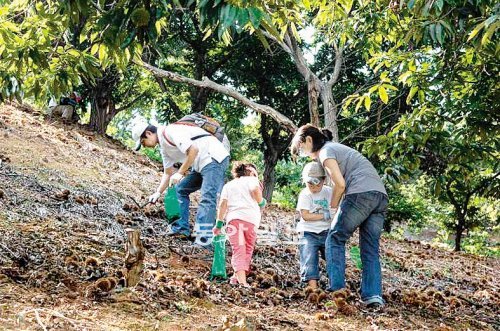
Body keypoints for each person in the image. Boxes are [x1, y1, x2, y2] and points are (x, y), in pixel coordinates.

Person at [291, 124, 388, 308]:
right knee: (370, 249)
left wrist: (333, 208)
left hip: (360, 194)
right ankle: (373, 296)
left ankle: (337, 290)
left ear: (309, 141)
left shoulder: (326, 152)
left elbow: (340, 185)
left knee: (334, 238)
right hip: (380, 196)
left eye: (302, 149)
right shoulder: (338, 148)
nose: (305, 154)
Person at [131, 120, 230, 247]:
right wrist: (158, 192)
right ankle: (180, 229)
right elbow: (168, 173)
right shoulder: (164, 148)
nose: (144, 146)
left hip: (214, 158)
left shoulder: (171, 131)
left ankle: (204, 241)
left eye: (143, 142)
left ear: (149, 133)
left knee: (207, 198)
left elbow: (193, 149)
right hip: (200, 165)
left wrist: (181, 172)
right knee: (179, 190)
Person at [213, 162, 266, 287]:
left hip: (234, 220)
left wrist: (219, 224)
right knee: (247, 249)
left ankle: (236, 277)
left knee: (239, 249)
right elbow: (254, 190)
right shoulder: (252, 180)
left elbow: (223, 204)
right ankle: (243, 282)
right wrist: (262, 202)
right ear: (251, 172)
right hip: (251, 222)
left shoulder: (229, 185)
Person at [296, 161, 333, 290]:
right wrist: (325, 216)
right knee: (309, 256)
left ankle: (335, 285)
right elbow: (305, 216)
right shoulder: (305, 194)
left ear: (323, 180)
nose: (312, 186)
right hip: (308, 232)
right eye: (309, 183)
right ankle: (313, 288)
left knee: (332, 256)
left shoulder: (330, 192)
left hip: (326, 231)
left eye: (315, 183)